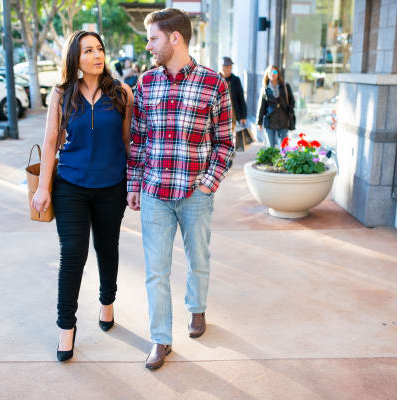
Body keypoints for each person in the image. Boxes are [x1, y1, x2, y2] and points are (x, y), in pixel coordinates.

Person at [127, 8, 234, 370]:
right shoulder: (145, 83)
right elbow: (138, 139)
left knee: (198, 260)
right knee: (155, 270)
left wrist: (208, 183)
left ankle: (197, 309)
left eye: (153, 37)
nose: (148, 45)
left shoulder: (214, 83)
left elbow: (225, 142)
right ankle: (160, 339)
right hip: (156, 192)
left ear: (175, 38)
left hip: (195, 193)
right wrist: (134, 184)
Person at [30, 30, 134, 362]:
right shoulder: (62, 94)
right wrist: (44, 187)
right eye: (88, 50)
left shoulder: (121, 93)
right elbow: (50, 143)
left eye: (100, 48)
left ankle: (107, 302)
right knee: (72, 255)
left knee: (107, 248)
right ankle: (66, 328)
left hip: (111, 186)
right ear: (76, 58)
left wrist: (132, 184)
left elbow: (128, 142)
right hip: (71, 187)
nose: (96, 55)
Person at [256, 65, 295, 147]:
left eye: (275, 72)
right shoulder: (265, 89)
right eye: (270, 72)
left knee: (285, 147)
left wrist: (289, 114)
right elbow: (261, 107)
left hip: (283, 120)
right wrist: (259, 122)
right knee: (271, 147)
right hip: (270, 121)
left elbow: (292, 101)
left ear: (278, 74)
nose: (273, 74)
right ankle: (273, 160)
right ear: (267, 74)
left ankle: (284, 159)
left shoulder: (285, 86)